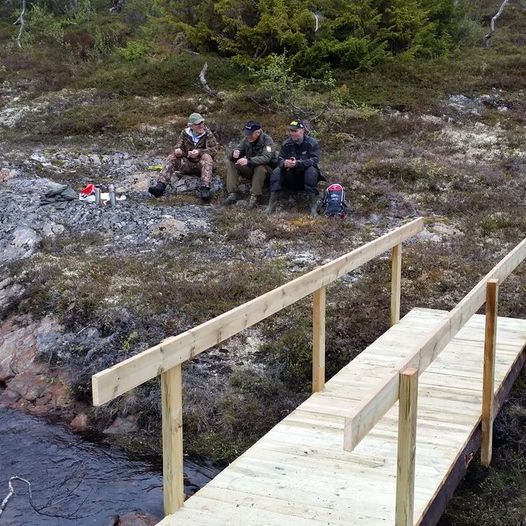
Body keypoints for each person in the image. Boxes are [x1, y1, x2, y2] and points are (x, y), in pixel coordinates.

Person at [148, 113, 218, 202]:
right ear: (191, 125)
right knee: (172, 157)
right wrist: (179, 152)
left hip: (202, 166)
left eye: (202, 123)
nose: (201, 126)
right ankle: (160, 187)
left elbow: (214, 150)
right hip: (187, 164)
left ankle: (205, 189)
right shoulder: (184, 133)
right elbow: (177, 147)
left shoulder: (208, 134)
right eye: (198, 124)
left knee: (206, 157)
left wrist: (199, 152)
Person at [267, 119, 325, 216]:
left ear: (302, 130)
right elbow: (279, 159)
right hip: (291, 178)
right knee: (277, 170)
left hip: (306, 178)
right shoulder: (286, 144)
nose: (292, 133)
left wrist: (298, 163)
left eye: (295, 131)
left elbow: (314, 160)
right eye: (291, 131)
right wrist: (285, 163)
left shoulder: (312, 143)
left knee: (311, 170)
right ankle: (271, 205)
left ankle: (313, 207)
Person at [224, 121, 277, 209]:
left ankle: (254, 197)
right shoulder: (246, 139)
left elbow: (266, 158)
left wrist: (248, 161)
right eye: (247, 134)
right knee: (231, 163)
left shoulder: (267, 141)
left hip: (268, 173)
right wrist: (233, 154)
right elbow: (236, 152)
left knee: (260, 167)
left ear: (258, 132)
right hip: (252, 170)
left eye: (251, 134)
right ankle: (232, 193)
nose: (248, 136)